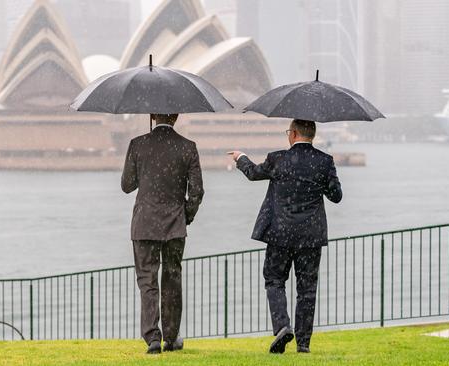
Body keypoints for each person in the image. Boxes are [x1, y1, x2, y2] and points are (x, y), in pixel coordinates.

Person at [227, 119, 342, 354]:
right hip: (310, 236)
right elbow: (336, 196)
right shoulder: (324, 161)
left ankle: (282, 326)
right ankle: (303, 344)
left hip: (280, 234)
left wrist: (241, 158)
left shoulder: (278, 158)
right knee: (307, 289)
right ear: (312, 135)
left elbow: (253, 173)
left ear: (294, 133)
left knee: (274, 280)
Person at [121, 113, 204, 354]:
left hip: (144, 224)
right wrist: (185, 216)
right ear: (176, 117)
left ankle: (152, 337)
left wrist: (145, 170)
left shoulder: (138, 144)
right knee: (172, 279)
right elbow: (197, 191)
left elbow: (127, 185)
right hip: (174, 226)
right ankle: (171, 336)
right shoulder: (188, 147)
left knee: (147, 281)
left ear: (153, 116)